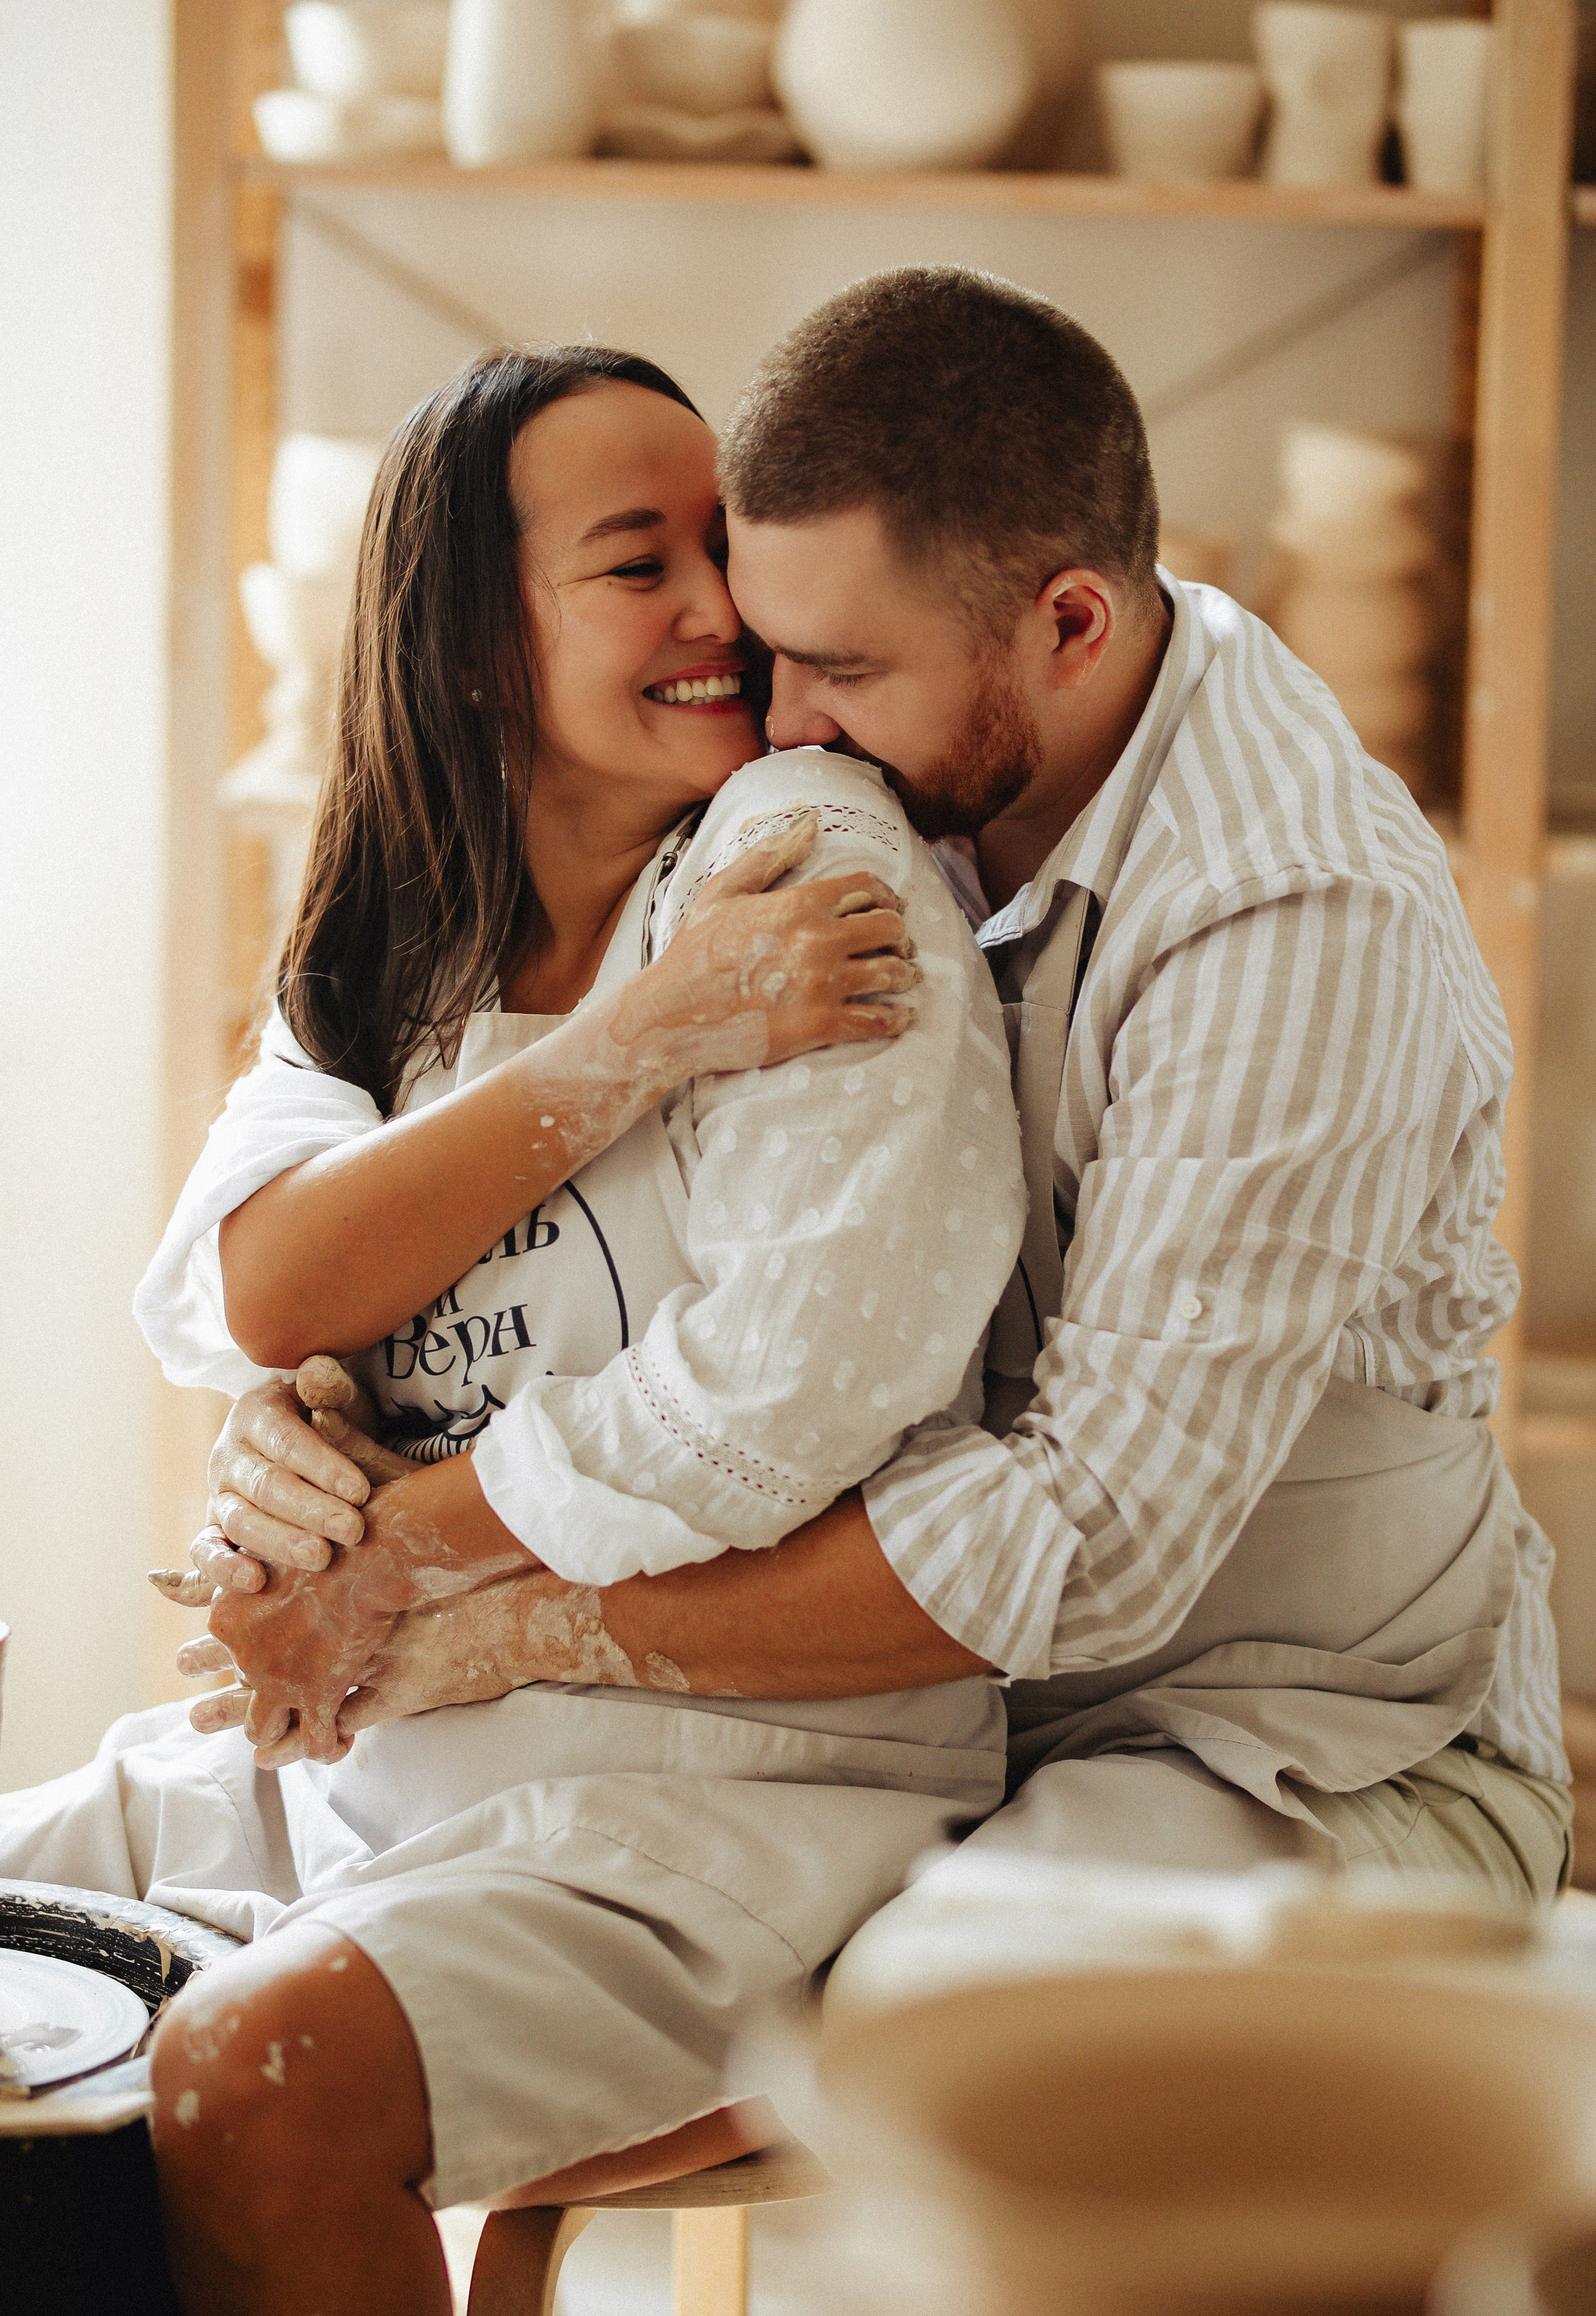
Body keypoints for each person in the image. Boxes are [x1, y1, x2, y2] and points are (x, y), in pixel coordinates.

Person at [214, 269, 1569, 1911]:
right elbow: (344, 1251)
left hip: (1283, 1732)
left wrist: (466, 1608)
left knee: (906, 2022)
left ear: (1071, 622)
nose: (778, 716)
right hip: (925, 1718)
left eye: (837, 666)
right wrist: (329, 1417)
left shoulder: (1289, 915)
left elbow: (1092, 1544)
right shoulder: (891, 762)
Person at [0, 343, 1026, 2316]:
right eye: (641, 564)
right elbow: (253, 1287)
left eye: (718, 547)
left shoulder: (809, 858)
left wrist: (383, 1549)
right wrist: (638, 1049)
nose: (726, 610)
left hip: (729, 1796)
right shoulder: (411, 932)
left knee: (257, 2071)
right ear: (476, 643)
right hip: (394, 1752)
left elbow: (780, 1403)